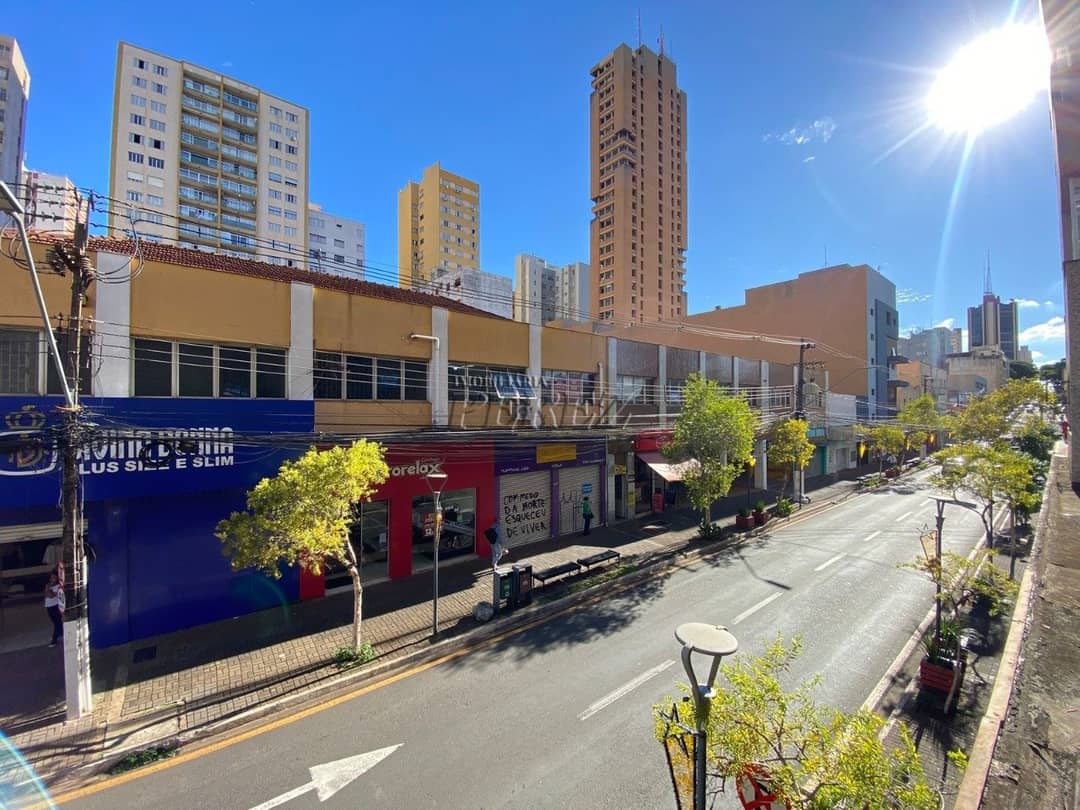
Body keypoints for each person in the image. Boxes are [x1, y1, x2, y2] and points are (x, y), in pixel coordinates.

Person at [44, 572, 64, 647]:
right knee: (55, 622)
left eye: (54, 578)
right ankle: (61, 634)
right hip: (48, 606)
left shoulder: (58, 586)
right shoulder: (48, 585)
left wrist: (48, 590)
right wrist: (48, 589)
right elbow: (46, 595)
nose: (53, 579)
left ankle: (54, 639)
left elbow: (51, 595)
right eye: (52, 578)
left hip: (55, 606)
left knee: (57, 622)